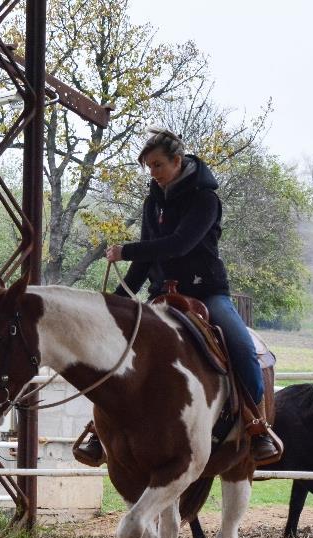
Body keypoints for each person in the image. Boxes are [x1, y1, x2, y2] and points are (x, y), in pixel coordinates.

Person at [76, 127, 278, 465]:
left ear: (177, 161)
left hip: (207, 291)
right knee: (119, 347)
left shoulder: (206, 199)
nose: (153, 174)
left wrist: (125, 250)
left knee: (240, 344)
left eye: (157, 165)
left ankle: (256, 424)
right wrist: (115, 302)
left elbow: (181, 243)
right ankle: (100, 429)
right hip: (162, 293)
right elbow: (145, 261)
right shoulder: (152, 201)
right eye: (149, 168)